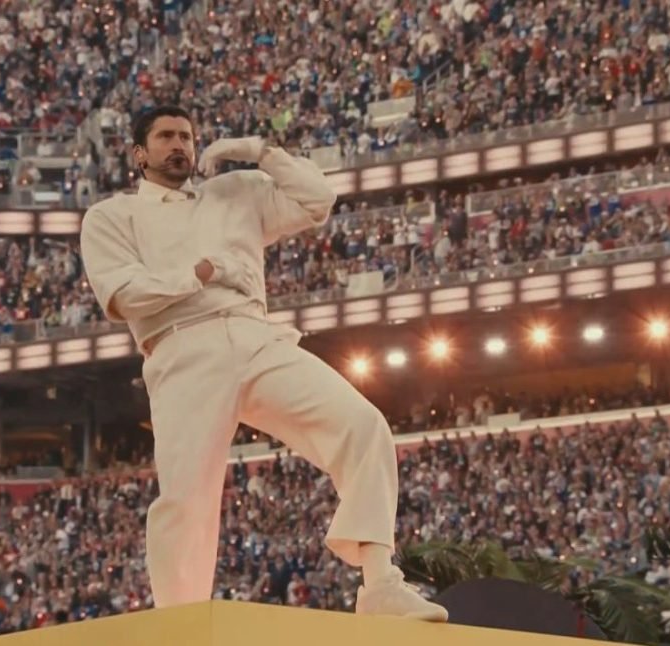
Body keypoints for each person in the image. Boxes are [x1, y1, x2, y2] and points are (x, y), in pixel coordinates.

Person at [80, 105, 448, 621]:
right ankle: (179, 623)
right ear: (139, 153)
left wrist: (262, 153)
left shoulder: (235, 192)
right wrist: (200, 274)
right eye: (165, 136)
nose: (179, 144)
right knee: (186, 498)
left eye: (186, 135)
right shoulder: (111, 216)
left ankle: (381, 582)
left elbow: (318, 198)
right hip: (180, 348)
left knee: (363, 425)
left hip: (257, 334)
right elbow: (122, 295)